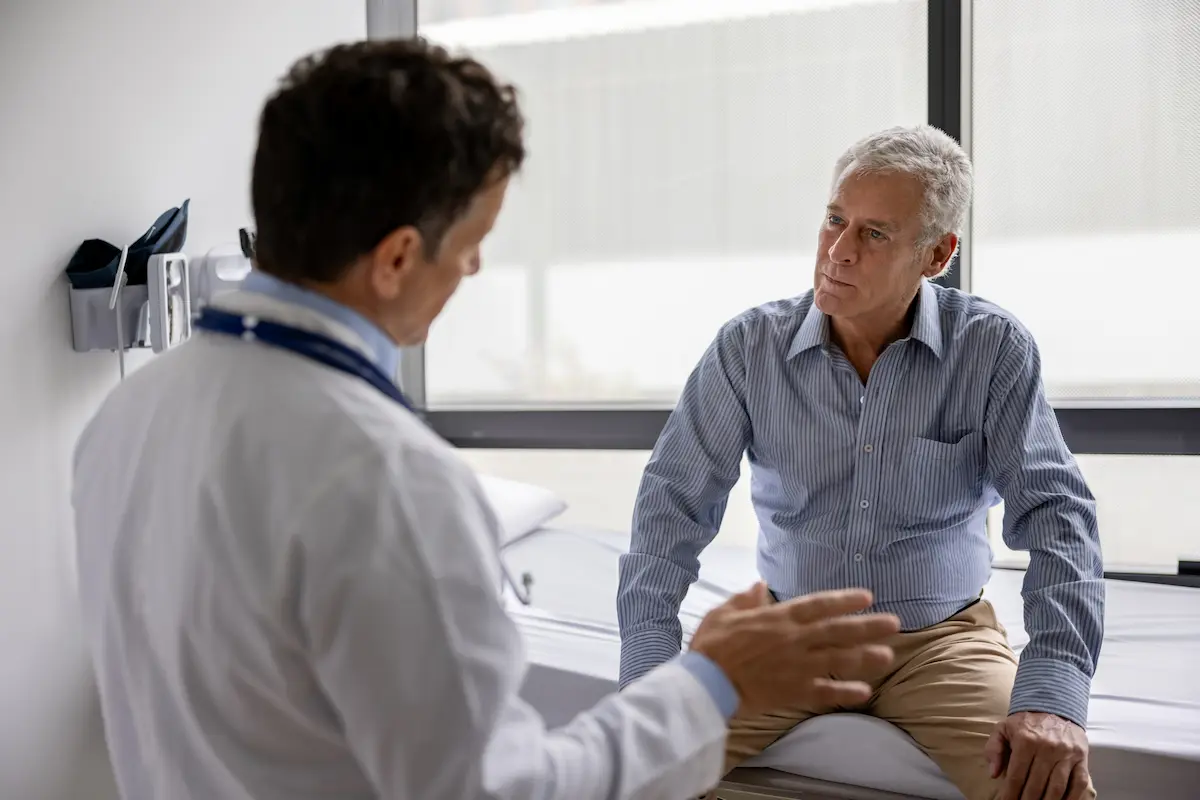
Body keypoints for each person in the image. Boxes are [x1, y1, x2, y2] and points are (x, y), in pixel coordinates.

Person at [70, 39, 903, 800]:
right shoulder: (386, 478)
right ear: (397, 257)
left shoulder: (128, 415)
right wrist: (713, 680)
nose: (473, 266)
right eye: (473, 240)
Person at [616, 125, 1105, 800]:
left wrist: (1053, 692)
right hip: (788, 634)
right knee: (635, 770)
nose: (838, 252)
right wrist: (649, 671)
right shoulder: (747, 349)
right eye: (834, 221)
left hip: (942, 642)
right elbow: (670, 508)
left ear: (937, 254)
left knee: (1047, 787)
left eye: (875, 234)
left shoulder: (992, 351)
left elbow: (1057, 517)